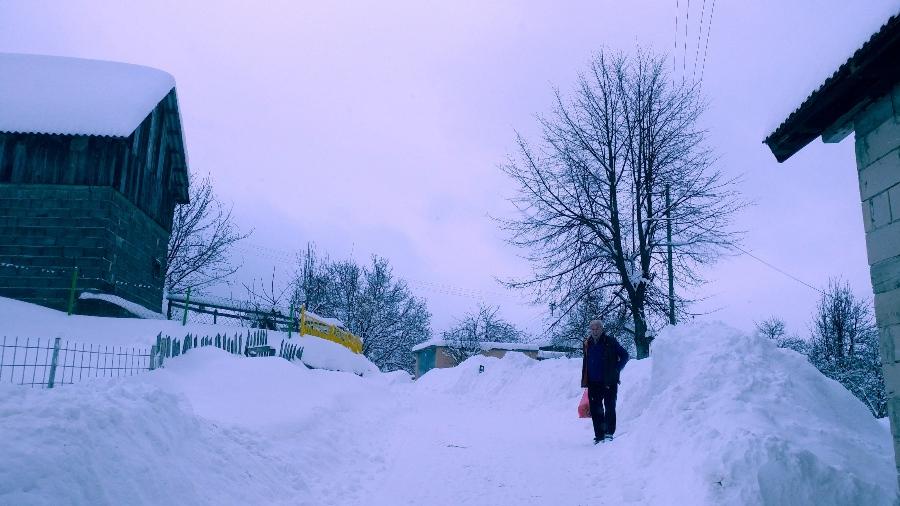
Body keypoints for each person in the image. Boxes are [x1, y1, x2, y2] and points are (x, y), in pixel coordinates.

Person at [581, 319, 629, 444]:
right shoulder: (587, 343)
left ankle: (609, 433)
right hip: (593, 382)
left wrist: (616, 369)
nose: (595, 331)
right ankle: (599, 435)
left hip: (609, 382)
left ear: (602, 329)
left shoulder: (610, 341)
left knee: (609, 407)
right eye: (592, 329)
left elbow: (625, 355)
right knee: (596, 409)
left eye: (597, 328)